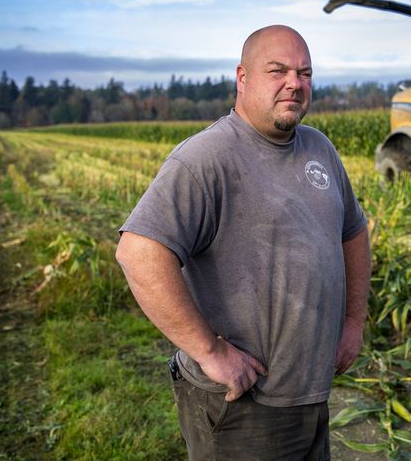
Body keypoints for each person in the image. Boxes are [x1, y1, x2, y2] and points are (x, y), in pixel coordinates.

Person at [115, 25, 371, 460]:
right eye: (278, 71)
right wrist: (209, 351)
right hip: (243, 406)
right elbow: (138, 252)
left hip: (310, 393)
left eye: (305, 73)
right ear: (243, 77)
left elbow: (353, 232)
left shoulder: (319, 149)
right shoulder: (206, 159)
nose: (295, 83)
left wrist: (352, 322)